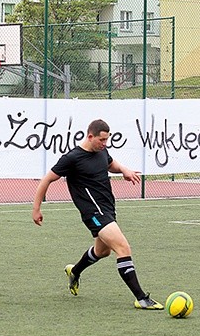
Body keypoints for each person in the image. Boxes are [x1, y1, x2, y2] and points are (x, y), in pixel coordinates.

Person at [32, 119, 163, 310]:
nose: (105, 144)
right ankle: (141, 298)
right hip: (93, 212)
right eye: (102, 140)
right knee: (123, 248)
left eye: (107, 140)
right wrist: (36, 208)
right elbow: (46, 180)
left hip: (108, 209)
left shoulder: (102, 151)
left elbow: (110, 163)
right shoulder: (72, 158)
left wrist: (124, 170)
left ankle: (74, 271)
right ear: (90, 136)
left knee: (103, 251)